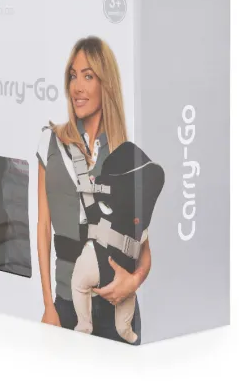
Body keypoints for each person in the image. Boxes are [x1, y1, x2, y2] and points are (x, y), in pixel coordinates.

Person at [36, 36, 152, 344]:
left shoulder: (124, 153)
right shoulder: (51, 143)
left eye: (88, 76)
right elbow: (43, 227)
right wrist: (48, 305)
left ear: (105, 83)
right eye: (73, 76)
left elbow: (142, 244)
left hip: (118, 307)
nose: (77, 86)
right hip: (67, 304)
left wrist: (133, 281)